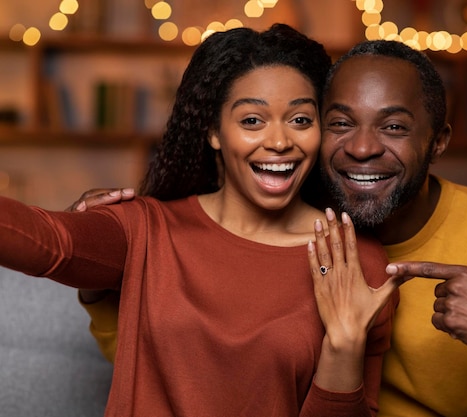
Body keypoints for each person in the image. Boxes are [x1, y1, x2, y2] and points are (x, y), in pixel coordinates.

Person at [71, 40, 467, 416]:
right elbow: (178, 362)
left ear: (438, 142)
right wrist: (100, 285)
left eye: (393, 127)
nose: (362, 149)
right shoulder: (284, 209)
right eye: (339, 123)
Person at [0, 24, 403, 417]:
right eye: (251, 120)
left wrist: (344, 345)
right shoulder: (146, 228)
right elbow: (48, 242)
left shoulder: (355, 260)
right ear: (213, 130)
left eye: (300, 119)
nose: (280, 142)